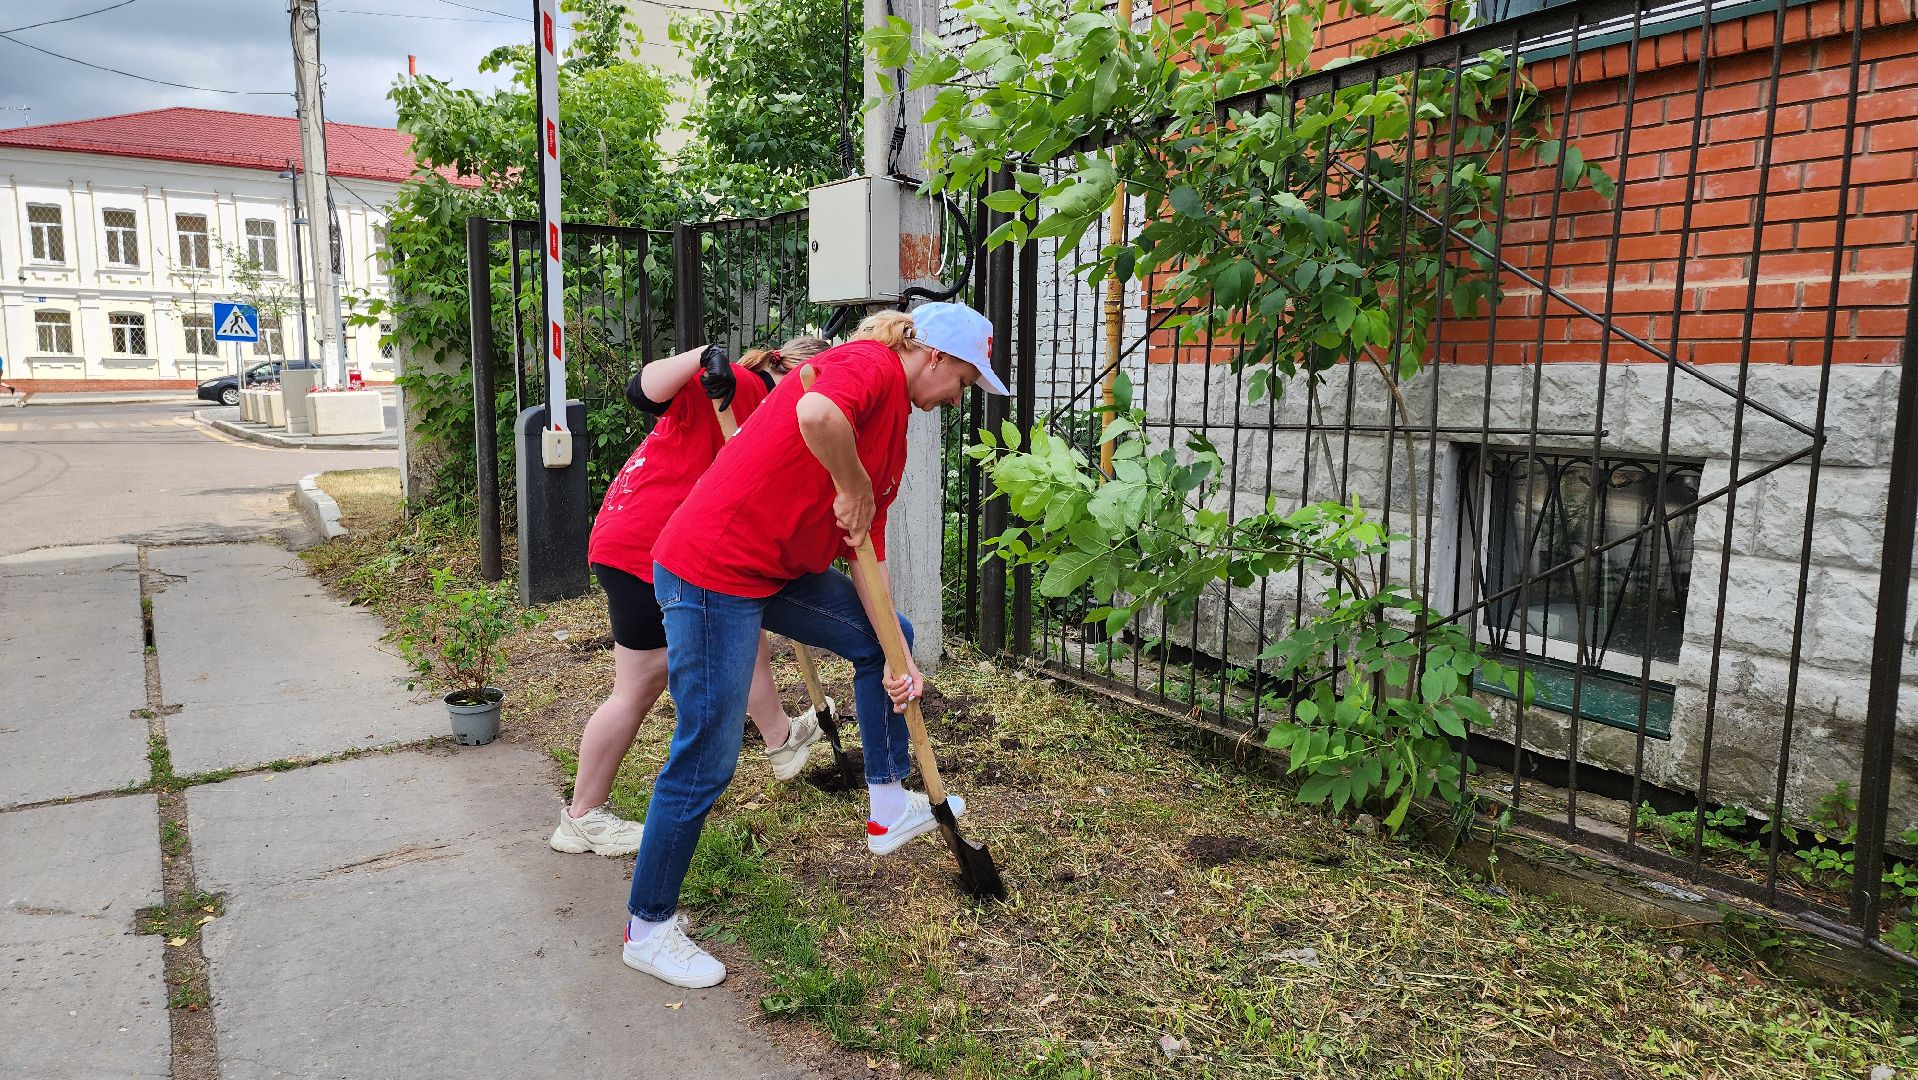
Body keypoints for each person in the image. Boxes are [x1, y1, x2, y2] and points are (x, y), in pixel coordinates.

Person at [620, 302, 1006, 988]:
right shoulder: (870, 365)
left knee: (886, 638)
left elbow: (866, 556)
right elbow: (817, 416)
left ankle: (887, 805)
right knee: (708, 753)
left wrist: (899, 659)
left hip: (770, 571)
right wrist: (852, 483)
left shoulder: (897, 429)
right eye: (966, 382)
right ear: (938, 358)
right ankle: (647, 927)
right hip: (711, 570)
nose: (958, 398)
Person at [549, 336, 832, 858]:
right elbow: (643, 389)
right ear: (793, 372)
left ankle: (779, 739)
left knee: (743, 627)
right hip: (647, 544)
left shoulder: (771, 410)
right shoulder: (740, 387)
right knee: (637, 687)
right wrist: (705, 357)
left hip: (642, 539)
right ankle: (583, 816)